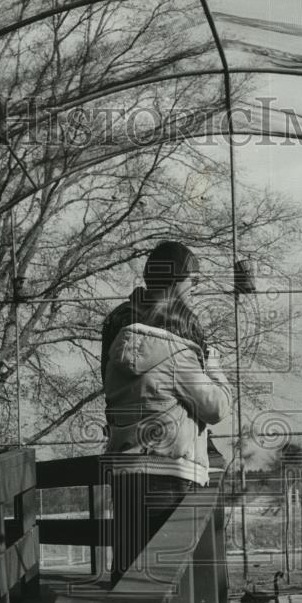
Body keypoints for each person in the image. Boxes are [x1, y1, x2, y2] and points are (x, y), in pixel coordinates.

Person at [101, 241, 231, 584]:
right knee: (167, 581)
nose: (195, 288)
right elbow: (216, 406)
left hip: (125, 469)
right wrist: (213, 362)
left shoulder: (118, 338)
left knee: (129, 574)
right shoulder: (175, 351)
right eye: (193, 280)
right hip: (167, 473)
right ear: (174, 283)